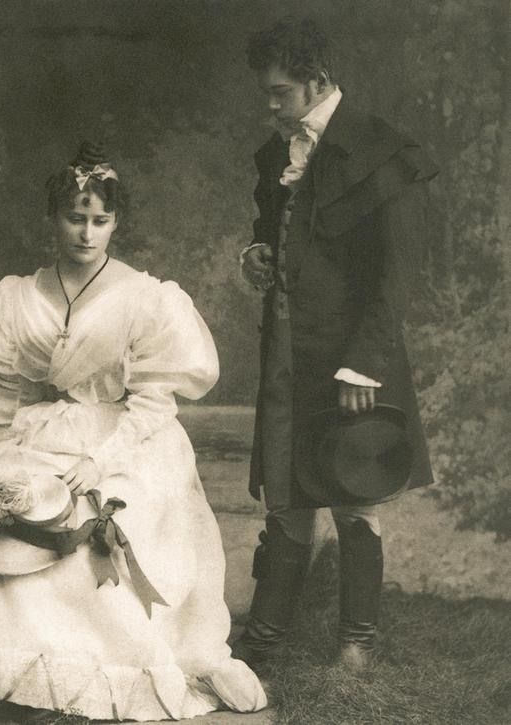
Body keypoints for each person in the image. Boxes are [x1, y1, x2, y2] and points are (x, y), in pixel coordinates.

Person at [0, 141, 267, 722]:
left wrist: (101, 459)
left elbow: (152, 403)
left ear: (116, 222)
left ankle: (112, 673)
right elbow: (6, 400)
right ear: (53, 218)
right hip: (45, 431)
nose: (87, 233)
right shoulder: (15, 299)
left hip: (127, 436)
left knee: (112, 517)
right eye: (76, 218)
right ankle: (43, 678)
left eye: (100, 220)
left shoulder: (146, 299)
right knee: (23, 520)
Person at [233, 18, 438, 672]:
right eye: (267, 93)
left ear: (318, 80)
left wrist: (365, 365)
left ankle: (356, 646)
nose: (271, 106)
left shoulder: (383, 152)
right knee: (288, 497)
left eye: (281, 92)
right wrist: (257, 251)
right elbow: (274, 226)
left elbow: (396, 276)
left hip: (353, 363)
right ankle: (264, 644)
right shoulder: (278, 155)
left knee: (355, 494)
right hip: (289, 358)